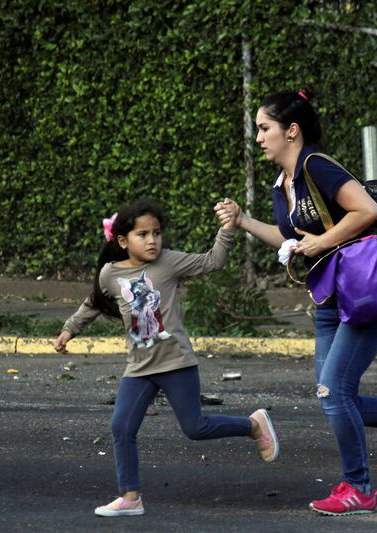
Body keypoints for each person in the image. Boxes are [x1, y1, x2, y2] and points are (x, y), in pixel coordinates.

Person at [214, 88, 377, 517]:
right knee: (335, 396)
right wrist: (244, 221)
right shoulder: (283, 184)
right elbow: (291, 239)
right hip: (329, 299)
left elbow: (365, 211)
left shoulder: (316, 165)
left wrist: (319, 243)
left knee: (333, 393)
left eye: (264, 128)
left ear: (292, 131)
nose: (258, 137)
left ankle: (359, 487)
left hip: (362, 293)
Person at [54, 199, 279, 517]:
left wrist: (228, 229)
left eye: (156, 233)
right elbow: (93, 302)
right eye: (143, 234)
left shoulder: (169, 263)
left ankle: (252, 425)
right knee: (121, 428)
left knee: (196, 428)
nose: (152, 240)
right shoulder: (110, 274)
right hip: (139, 368)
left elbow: (212, 261)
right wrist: (69, 329)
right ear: (122, 241)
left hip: (176, 364)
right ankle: (130, 497)